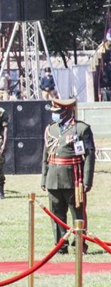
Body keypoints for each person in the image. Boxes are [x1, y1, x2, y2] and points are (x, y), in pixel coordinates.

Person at [41, 99, 95, 254]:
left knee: (78, 213)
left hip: (73, 178)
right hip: (53, 177)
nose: (54, 115)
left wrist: (87, 180)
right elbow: (46, 155)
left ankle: (79, 244)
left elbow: (89, 156)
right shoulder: (51, 129)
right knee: (56, 213)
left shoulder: (81, 129)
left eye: (57, 112)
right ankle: (60, 245)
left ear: (66, 111)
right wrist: (44, 178)